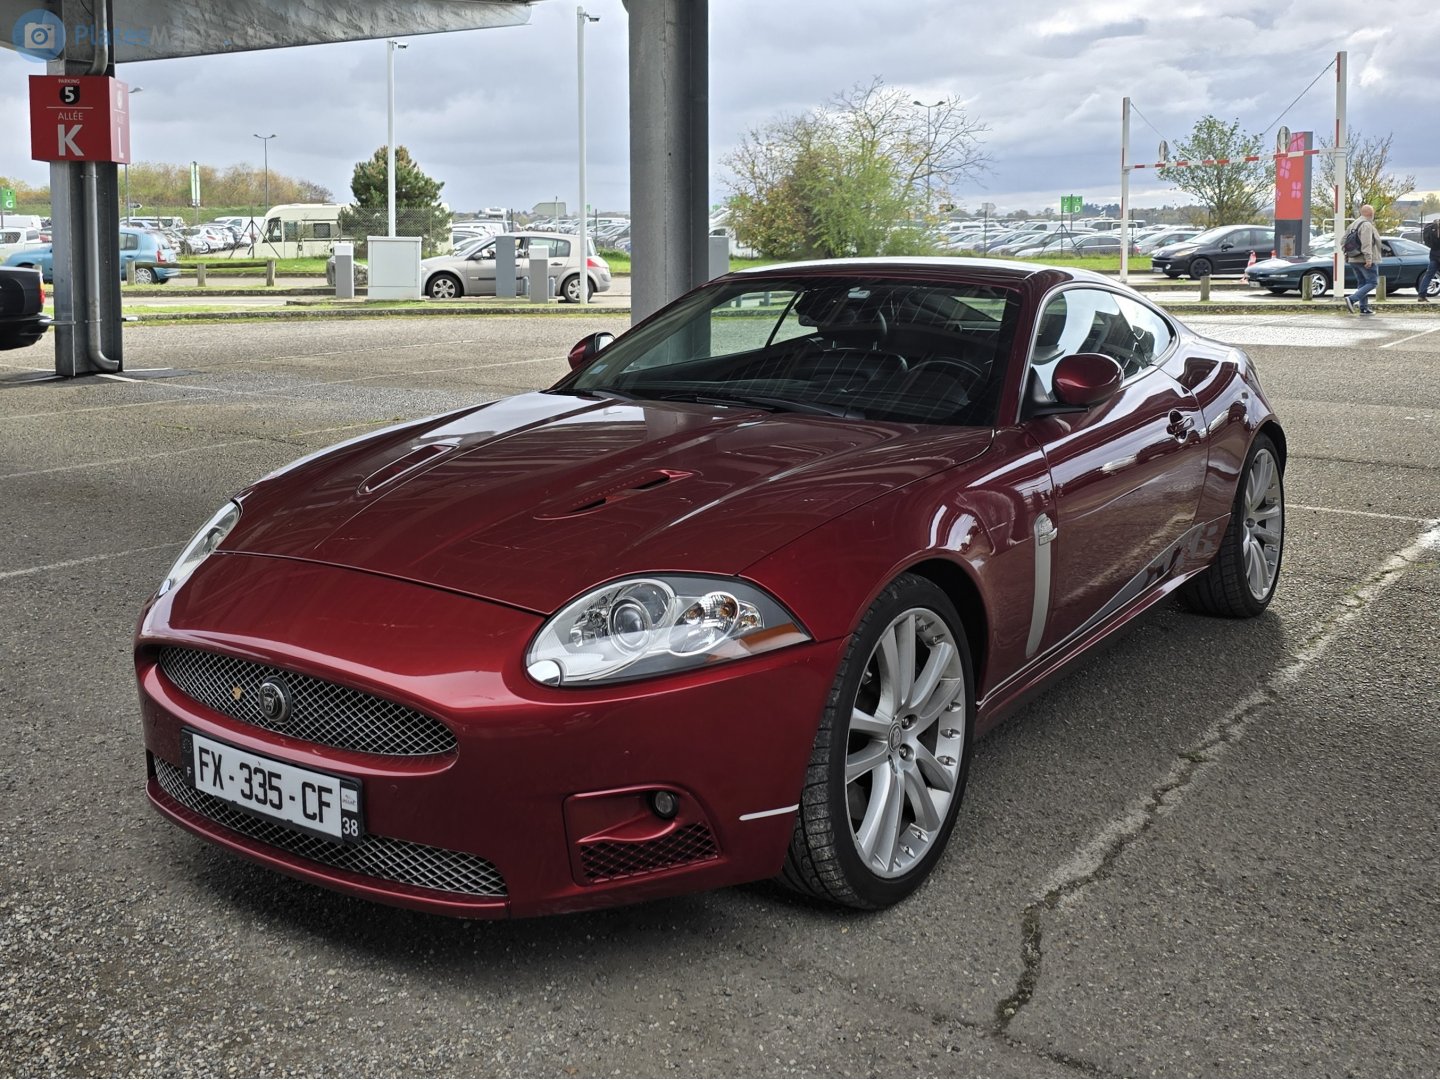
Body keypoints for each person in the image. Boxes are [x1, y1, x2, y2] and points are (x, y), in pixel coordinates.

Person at [1342, 204, 1382, 316]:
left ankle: (1363, 308)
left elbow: (1343, 241)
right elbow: (1366, 243)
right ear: (1371, 214)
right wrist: (1368, 258)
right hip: (1364, 259)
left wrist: (1347, 255)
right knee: (1373, 282)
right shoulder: (1366, 225)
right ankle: (1352, 299)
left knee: (1362, 283)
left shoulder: (1353, 224)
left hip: (1353, 259)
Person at [1418, 218, 1440, 304]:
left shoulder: (1432, 228)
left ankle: (1421, 295)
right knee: (1429, 275)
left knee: (1428, 275)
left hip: (1434, 255)